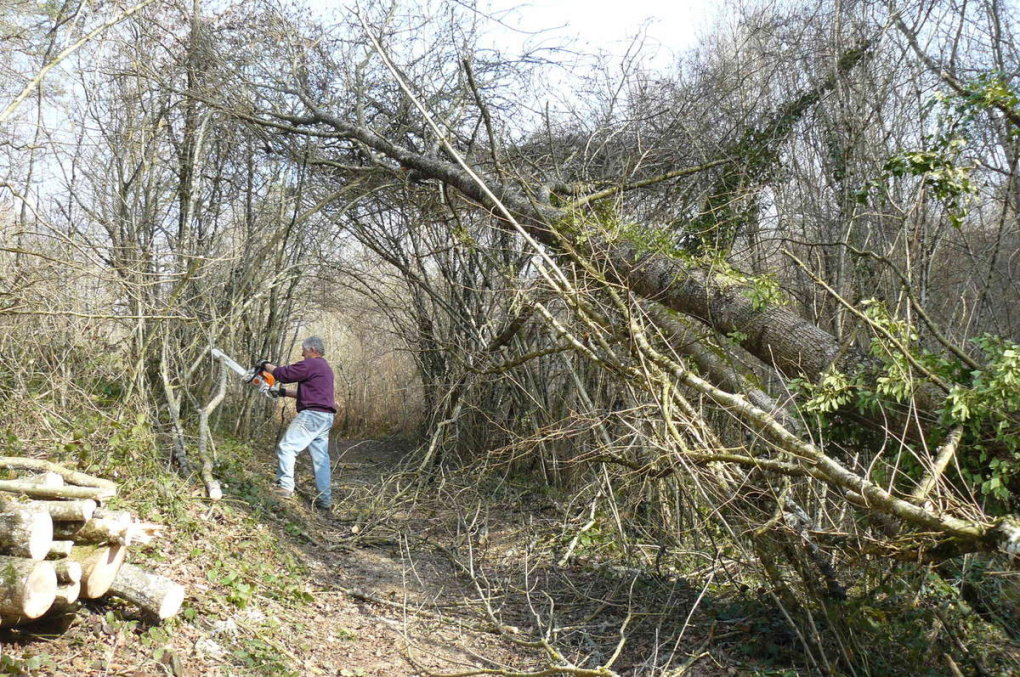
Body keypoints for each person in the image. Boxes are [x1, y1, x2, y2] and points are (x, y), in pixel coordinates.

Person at [261, 336, 336, 510]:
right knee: (321, 460)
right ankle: (325, 500)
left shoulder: (312, 363)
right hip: (325, 418)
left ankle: (285, 486)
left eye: (303, 350)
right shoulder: (325, 368)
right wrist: (283, 392)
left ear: (312, 349)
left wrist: (265, 364)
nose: (302, 354)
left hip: (312, 416)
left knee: (287, 447)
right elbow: (310, 393)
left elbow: (283, 374)